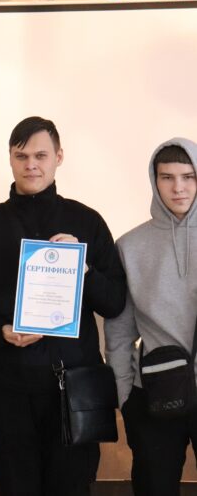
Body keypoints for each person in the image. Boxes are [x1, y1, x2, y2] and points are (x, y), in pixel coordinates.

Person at [0, 116, 126, 496]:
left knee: (72, 487)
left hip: (73, 390)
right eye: (21, 156)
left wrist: (83, 269)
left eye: (41, 155)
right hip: (7, 390)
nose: (31, 164)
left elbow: (114, 302)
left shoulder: (87, 222)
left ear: (58, 157)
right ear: (10, 159)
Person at [105, 139, 197, 496]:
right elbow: (119, 329)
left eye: (188, 177)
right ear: (154, 180)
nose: (178, 188)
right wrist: (125, 394)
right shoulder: (130, 245)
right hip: (154, 392)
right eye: (167, 177)